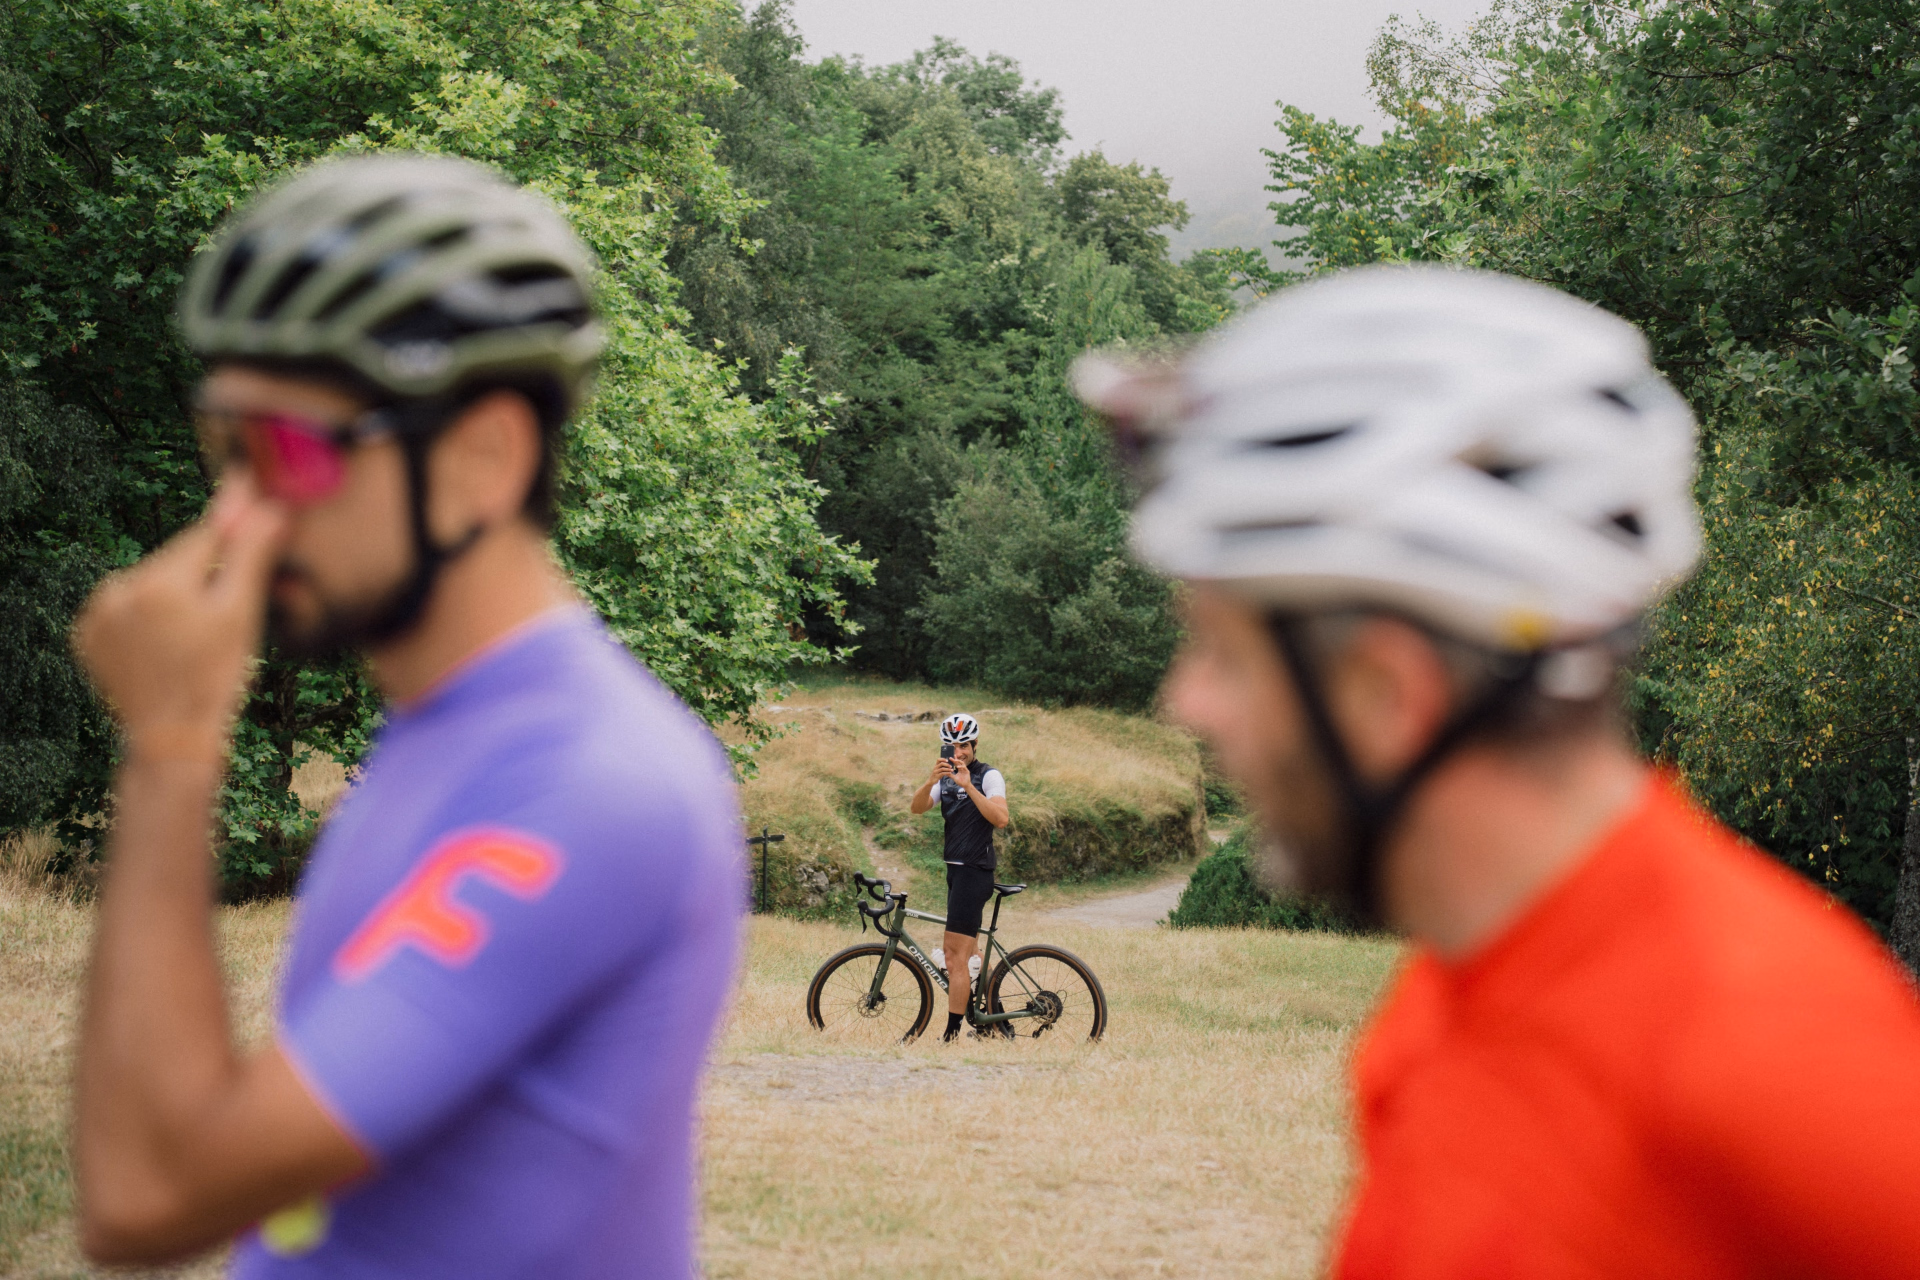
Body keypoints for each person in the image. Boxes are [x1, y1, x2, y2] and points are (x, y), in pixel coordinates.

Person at [1074, 265, 1920, 1276]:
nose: (1186, 703)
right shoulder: (1456, 991)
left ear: (1387, 692)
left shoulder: (1783, 1069)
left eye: (1221, 651)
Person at [68, 153, 743, 1277]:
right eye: (223, 448)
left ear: (483, 458)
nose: (237, 512)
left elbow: (147, 1192)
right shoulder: (451, 730)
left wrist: (172, 745)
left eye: (285, 450)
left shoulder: (591, 781)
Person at [909, 713, 1010, 1041]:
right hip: (956, 872)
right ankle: (996, 1023)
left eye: (964, 745)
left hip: (974, 872)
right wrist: (929, 782)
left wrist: (970, 786)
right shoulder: (945, 778)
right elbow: (917, 808)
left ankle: (952, 1033)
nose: (959, 752)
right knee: (972, 956)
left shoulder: (989, 776)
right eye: (952, 746)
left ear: (975, 744)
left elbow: (1001, 818)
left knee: (954, 958)